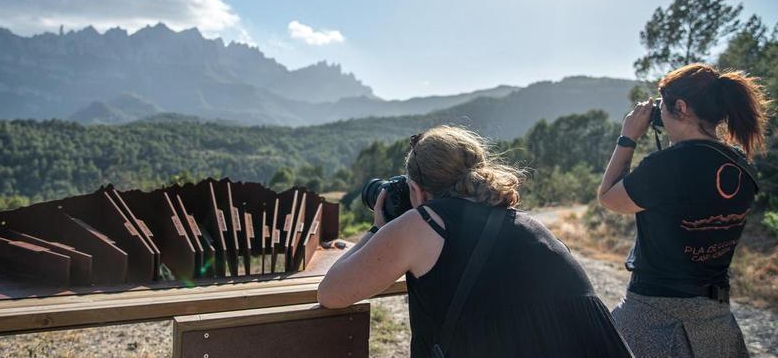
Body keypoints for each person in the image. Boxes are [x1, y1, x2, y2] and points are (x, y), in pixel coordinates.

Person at [318, 125, 632, 357]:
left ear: (416, 190)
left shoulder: (424, 222)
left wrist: (378, 229)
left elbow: (332, 293)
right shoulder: (526, 223)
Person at [598, 63, 770, 357]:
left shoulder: (667, 166)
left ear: (681, 107)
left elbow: (609, 197)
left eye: (662, 107)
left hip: (652, 316)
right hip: (716, 320)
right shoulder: (741, 165)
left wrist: (627, 138)